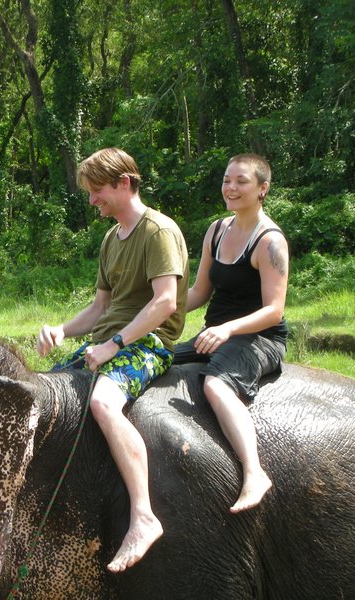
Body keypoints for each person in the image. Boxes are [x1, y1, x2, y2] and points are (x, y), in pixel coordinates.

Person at [37, 148, 189, 573]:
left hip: (149, 343)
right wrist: (62, 331)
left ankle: (143, 516)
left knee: (104, 402)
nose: (92, 201)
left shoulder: (158, 231)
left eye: (97, 191)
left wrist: (115, 345)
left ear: (124, 183)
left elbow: (165, 303)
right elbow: (100, 307)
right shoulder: (111, 238)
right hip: (108, 340)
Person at [174, 153, 288, 513]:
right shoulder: (217, 231)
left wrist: (226, 329)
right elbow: (199, 293)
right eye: (227, 180)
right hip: (217, 332)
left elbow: (274, 309)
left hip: (260, 337)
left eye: (241, 181)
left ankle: (255, 473)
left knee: (216, 384)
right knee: (159, 359)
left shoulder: (269, 242)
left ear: (262, 189)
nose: (231, 188)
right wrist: (155, 312)